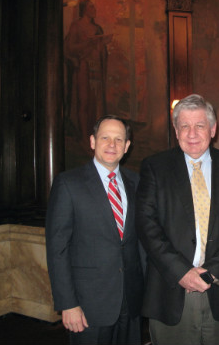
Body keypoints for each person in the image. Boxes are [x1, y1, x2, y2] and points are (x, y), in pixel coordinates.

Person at [135, 94, 219, 345]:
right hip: (171, 291)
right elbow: (147, 226)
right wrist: (182, 272)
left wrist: (211, 273)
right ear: (176, 131)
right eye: (184, 126)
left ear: (212, 129)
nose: (192, 133)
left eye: (199, 125)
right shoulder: (154, 167)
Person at [46, 115, 144, 345]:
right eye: (105, 138)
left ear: (127, 146)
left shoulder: (137, 182)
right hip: (88, 306)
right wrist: (67, 304)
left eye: (119, 139)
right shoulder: (68, 184)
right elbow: (57, 249)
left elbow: (140, 242)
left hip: (131, 303)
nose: (112, 145)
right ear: (92, 141)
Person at [64, 0, 112, 141]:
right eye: (91, 7)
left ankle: (97, 136)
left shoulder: (97, 28)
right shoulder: (77, 26)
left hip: (96, 68)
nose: (94, 9)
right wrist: (88, 42)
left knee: (96, 103)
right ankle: (84, 136)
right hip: (84, 66)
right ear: (84, 9)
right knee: (84, 101)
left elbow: (100, 50)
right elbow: (70, 48)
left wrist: (102, 44)